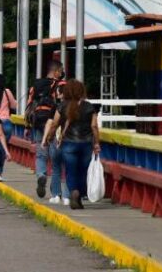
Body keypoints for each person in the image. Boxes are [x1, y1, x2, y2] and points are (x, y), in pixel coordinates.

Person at [43, 79, 100, 210]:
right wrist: (96, 143)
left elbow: (55, 124)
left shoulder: (62, 106)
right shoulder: (89, 106)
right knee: (83, 171)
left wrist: (49, 137)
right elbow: (94, 126)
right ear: (81, 91)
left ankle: (73, 191)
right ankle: (79, 194)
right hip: (86, 144)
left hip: (68, 143)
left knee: (70, 171)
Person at [30, 61, 68, 204]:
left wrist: (28, 126)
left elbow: (29, 104)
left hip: (38, 121)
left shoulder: (37, 84)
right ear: (57, 71)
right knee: (55, 158)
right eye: (61, 70)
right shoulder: (61, 84)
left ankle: (41, 174)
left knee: (40, 153)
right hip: (54, 120)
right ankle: (57, 193)